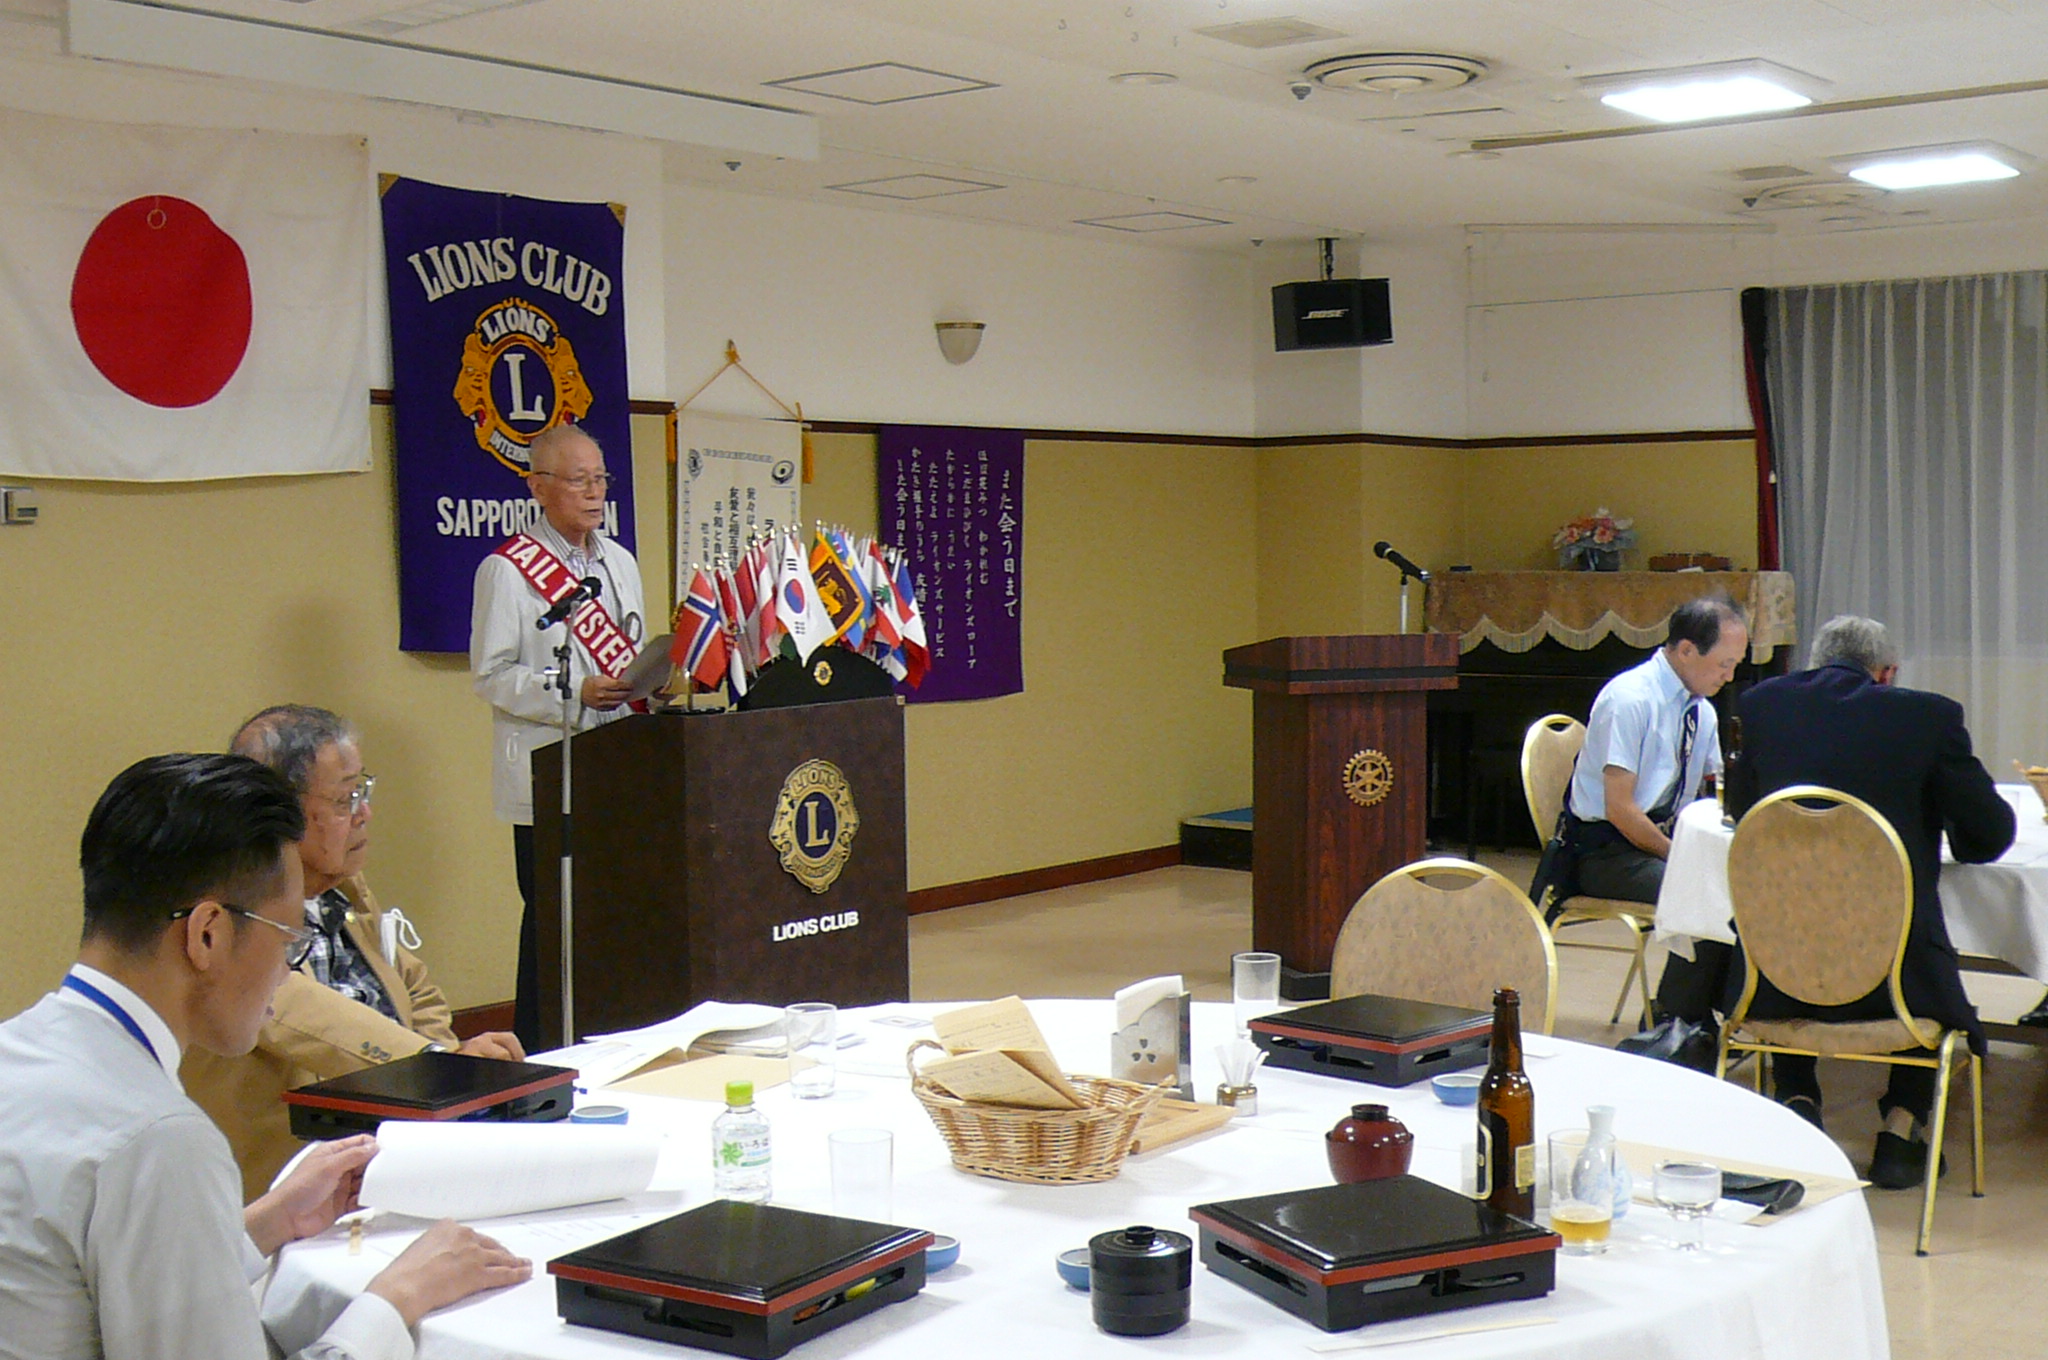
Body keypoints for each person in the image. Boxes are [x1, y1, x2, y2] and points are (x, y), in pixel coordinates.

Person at [0, 753, 530, 1360]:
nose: (284, 973)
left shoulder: (19, 1050)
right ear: (207, 934)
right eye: (288, 940)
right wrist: (397, 1298)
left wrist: (267, 1221)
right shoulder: (158, 1137)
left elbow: (93, 1280)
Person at [182, 705, 526, 1199]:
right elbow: (289, 1007)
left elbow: (416, 991)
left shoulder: (342, 888)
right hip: (285, 1193)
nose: (365, 813)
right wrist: (435, 1069)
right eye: (346, 799)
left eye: (363, 791)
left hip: (393, 1154)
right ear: (277, 811)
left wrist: (446, 1098)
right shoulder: (229, 903)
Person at [1729, 614, 2015, 1189]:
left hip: (1772, 977)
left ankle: (1796, 1098)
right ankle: (1901, 1128)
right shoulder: (1928, 717)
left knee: (1795, 917)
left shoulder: (1761, 706)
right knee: (1916, 939)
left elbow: (1742, 810)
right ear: (1886, 673)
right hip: (1897, 985)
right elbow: (1989, 835)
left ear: (1814, 665)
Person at [471, 424, 646, 1050]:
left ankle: (607, 1037)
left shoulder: (619, 562)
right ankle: (538, 1048)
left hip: (614, 762)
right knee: (551, 918)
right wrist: (574, 692)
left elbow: (628, 650)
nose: (595, 493)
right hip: (546, 770)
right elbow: (491, 675)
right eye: (579, 481)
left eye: (601, 479)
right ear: (538, 486)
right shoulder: (507, 571)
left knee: (610, 910)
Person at [1564, 595, 1748, 1066]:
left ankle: (1713, 1018)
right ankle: (1675, 1023)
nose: (1729, 676)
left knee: (1744, 887)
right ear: (1685, 650)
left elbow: (1714, 788)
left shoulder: (1700, 709)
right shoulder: (1630, 699)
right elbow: (1620, 809)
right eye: (1723, 664)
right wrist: (1683, 857)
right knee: (1706, 893)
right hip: (1604, 853)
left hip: (1657, 844)